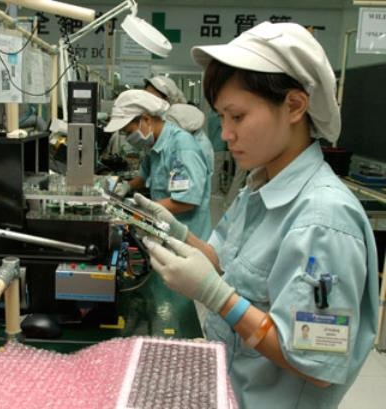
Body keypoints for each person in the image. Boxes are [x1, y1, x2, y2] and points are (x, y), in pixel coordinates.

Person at [134, 22, 379, 408]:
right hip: (232, 389)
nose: (226, 134)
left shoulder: (324, 221)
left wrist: (219, 299)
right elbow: (223, 262)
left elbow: (316, 363)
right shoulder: (258, 188)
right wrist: (175, 231)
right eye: (222, 118)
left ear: (294, 106)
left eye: (237, 116)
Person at [104, 89, 213, 240]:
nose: (128, 138)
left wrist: (139, 209)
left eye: (129, 132)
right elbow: (144, 175)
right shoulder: (155, 143)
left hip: (188, 236)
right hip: (165, 230)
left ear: (146, 119)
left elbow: (186, 201)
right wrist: (126, 187)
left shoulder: (181, 146)